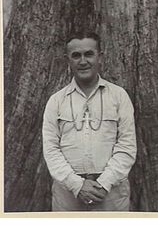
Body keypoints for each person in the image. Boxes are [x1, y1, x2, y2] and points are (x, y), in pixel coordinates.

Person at [42, 32, 137, 211]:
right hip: (68, 194)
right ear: (68, 60)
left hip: (111, 193)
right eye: (76, 55)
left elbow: (127, 145)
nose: (83, 61)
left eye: (89, 54)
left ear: (100, 57)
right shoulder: (56, 101)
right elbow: (51, 149)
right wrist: (77, 185)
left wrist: (104, 183)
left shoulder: (118, 96)